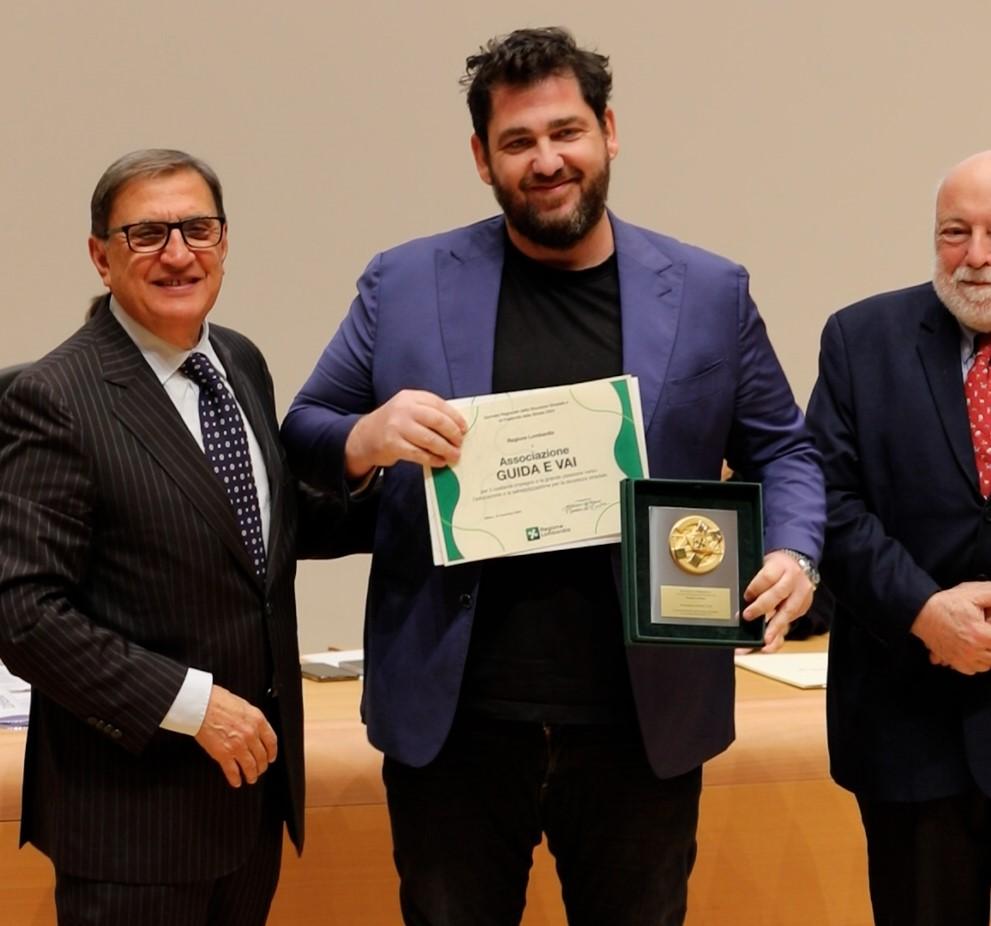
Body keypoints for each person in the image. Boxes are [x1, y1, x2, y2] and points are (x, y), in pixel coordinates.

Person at [282, 27, 824, 926]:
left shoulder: (707, 289)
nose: (546, 160)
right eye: (517, 141)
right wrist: (367, 437)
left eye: (566, 131)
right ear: (481, 158)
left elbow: (785, 450)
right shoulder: (405, 280)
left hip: (641, 722)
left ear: (608, 131)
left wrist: (795, 553)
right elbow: (305, 427)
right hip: (455, 724)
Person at [0, 149, 325, 925]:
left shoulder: (238, 360)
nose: (178, 254)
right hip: (132, 827)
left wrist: (374, 463)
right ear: (100, 256)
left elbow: (258, 533)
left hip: (250, 805)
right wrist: (192, 705)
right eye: (146, 234)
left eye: (197, 229)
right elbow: (22, 613)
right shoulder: (54, 397)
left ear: (224, 241)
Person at [806, 150, 991, 926]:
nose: (974, 256)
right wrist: (923, 610)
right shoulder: (860, 339)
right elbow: (828, 503)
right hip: (908, 723)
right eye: (954, 232)